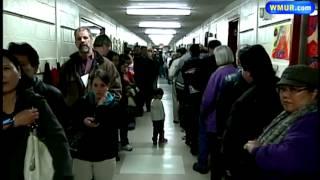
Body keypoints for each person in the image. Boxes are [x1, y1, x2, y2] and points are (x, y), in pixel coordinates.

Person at [2, 49, 73, 180]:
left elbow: (58, 142)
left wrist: (64, 175)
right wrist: (13, 121)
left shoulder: (34, 102)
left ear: (18, 72)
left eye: (6, 68)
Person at [244, 64, 320, 180]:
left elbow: (290, 157)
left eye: (295, 89)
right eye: (282, 89)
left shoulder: (311, 121)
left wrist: (258, 150)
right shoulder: (291, 114)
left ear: (314, 93)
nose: (285, 95)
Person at [221, 44, 283, 180]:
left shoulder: (246, 100)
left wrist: (227, 164)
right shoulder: (282, 90)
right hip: (277, 160)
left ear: (249, 70)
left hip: (247, 161)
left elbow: (231, 135)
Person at [8, 42, 69, 129]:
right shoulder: (7, 95)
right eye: (13, 66)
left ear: (35, 68)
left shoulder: (52, 95)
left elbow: (63, 129)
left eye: (22, 65)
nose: (17, 70)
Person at [71, 69, 118, 180]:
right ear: (91, 86)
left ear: (108, 86)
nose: (99, 89)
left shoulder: (114, 105)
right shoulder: (83, 102)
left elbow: (111, 124)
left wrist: (101, 106)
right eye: (95, 85)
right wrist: (83, 122)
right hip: (83, 154)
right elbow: (73, 121)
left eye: (102, 85)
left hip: (105, 154)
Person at [58, 27, 121, 108]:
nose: (82, 41)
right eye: (79, 38)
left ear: (91, 40)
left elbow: (116, 91)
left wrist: (103, 106)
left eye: (85, 38)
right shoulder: (67, 67)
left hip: (101, 114)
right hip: (77, 117)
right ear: (76, 42)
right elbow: (62, 93)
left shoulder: (107, 65)